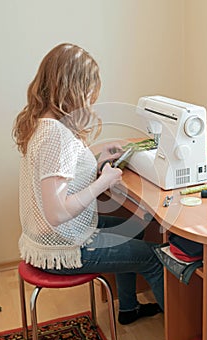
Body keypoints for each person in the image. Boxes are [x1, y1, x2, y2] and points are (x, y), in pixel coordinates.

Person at [12, 43, 164, 325]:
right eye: (89, 91)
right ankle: (182, 328)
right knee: (154, 258)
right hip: (64, 250)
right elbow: (57, 212)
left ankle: (128, 308)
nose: (92, 99)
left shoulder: (44, 124)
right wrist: (103, 181)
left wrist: (96, 163)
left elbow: (60, 180)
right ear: (74, 89)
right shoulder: (57, 136)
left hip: (53, 239)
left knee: (137, 230)